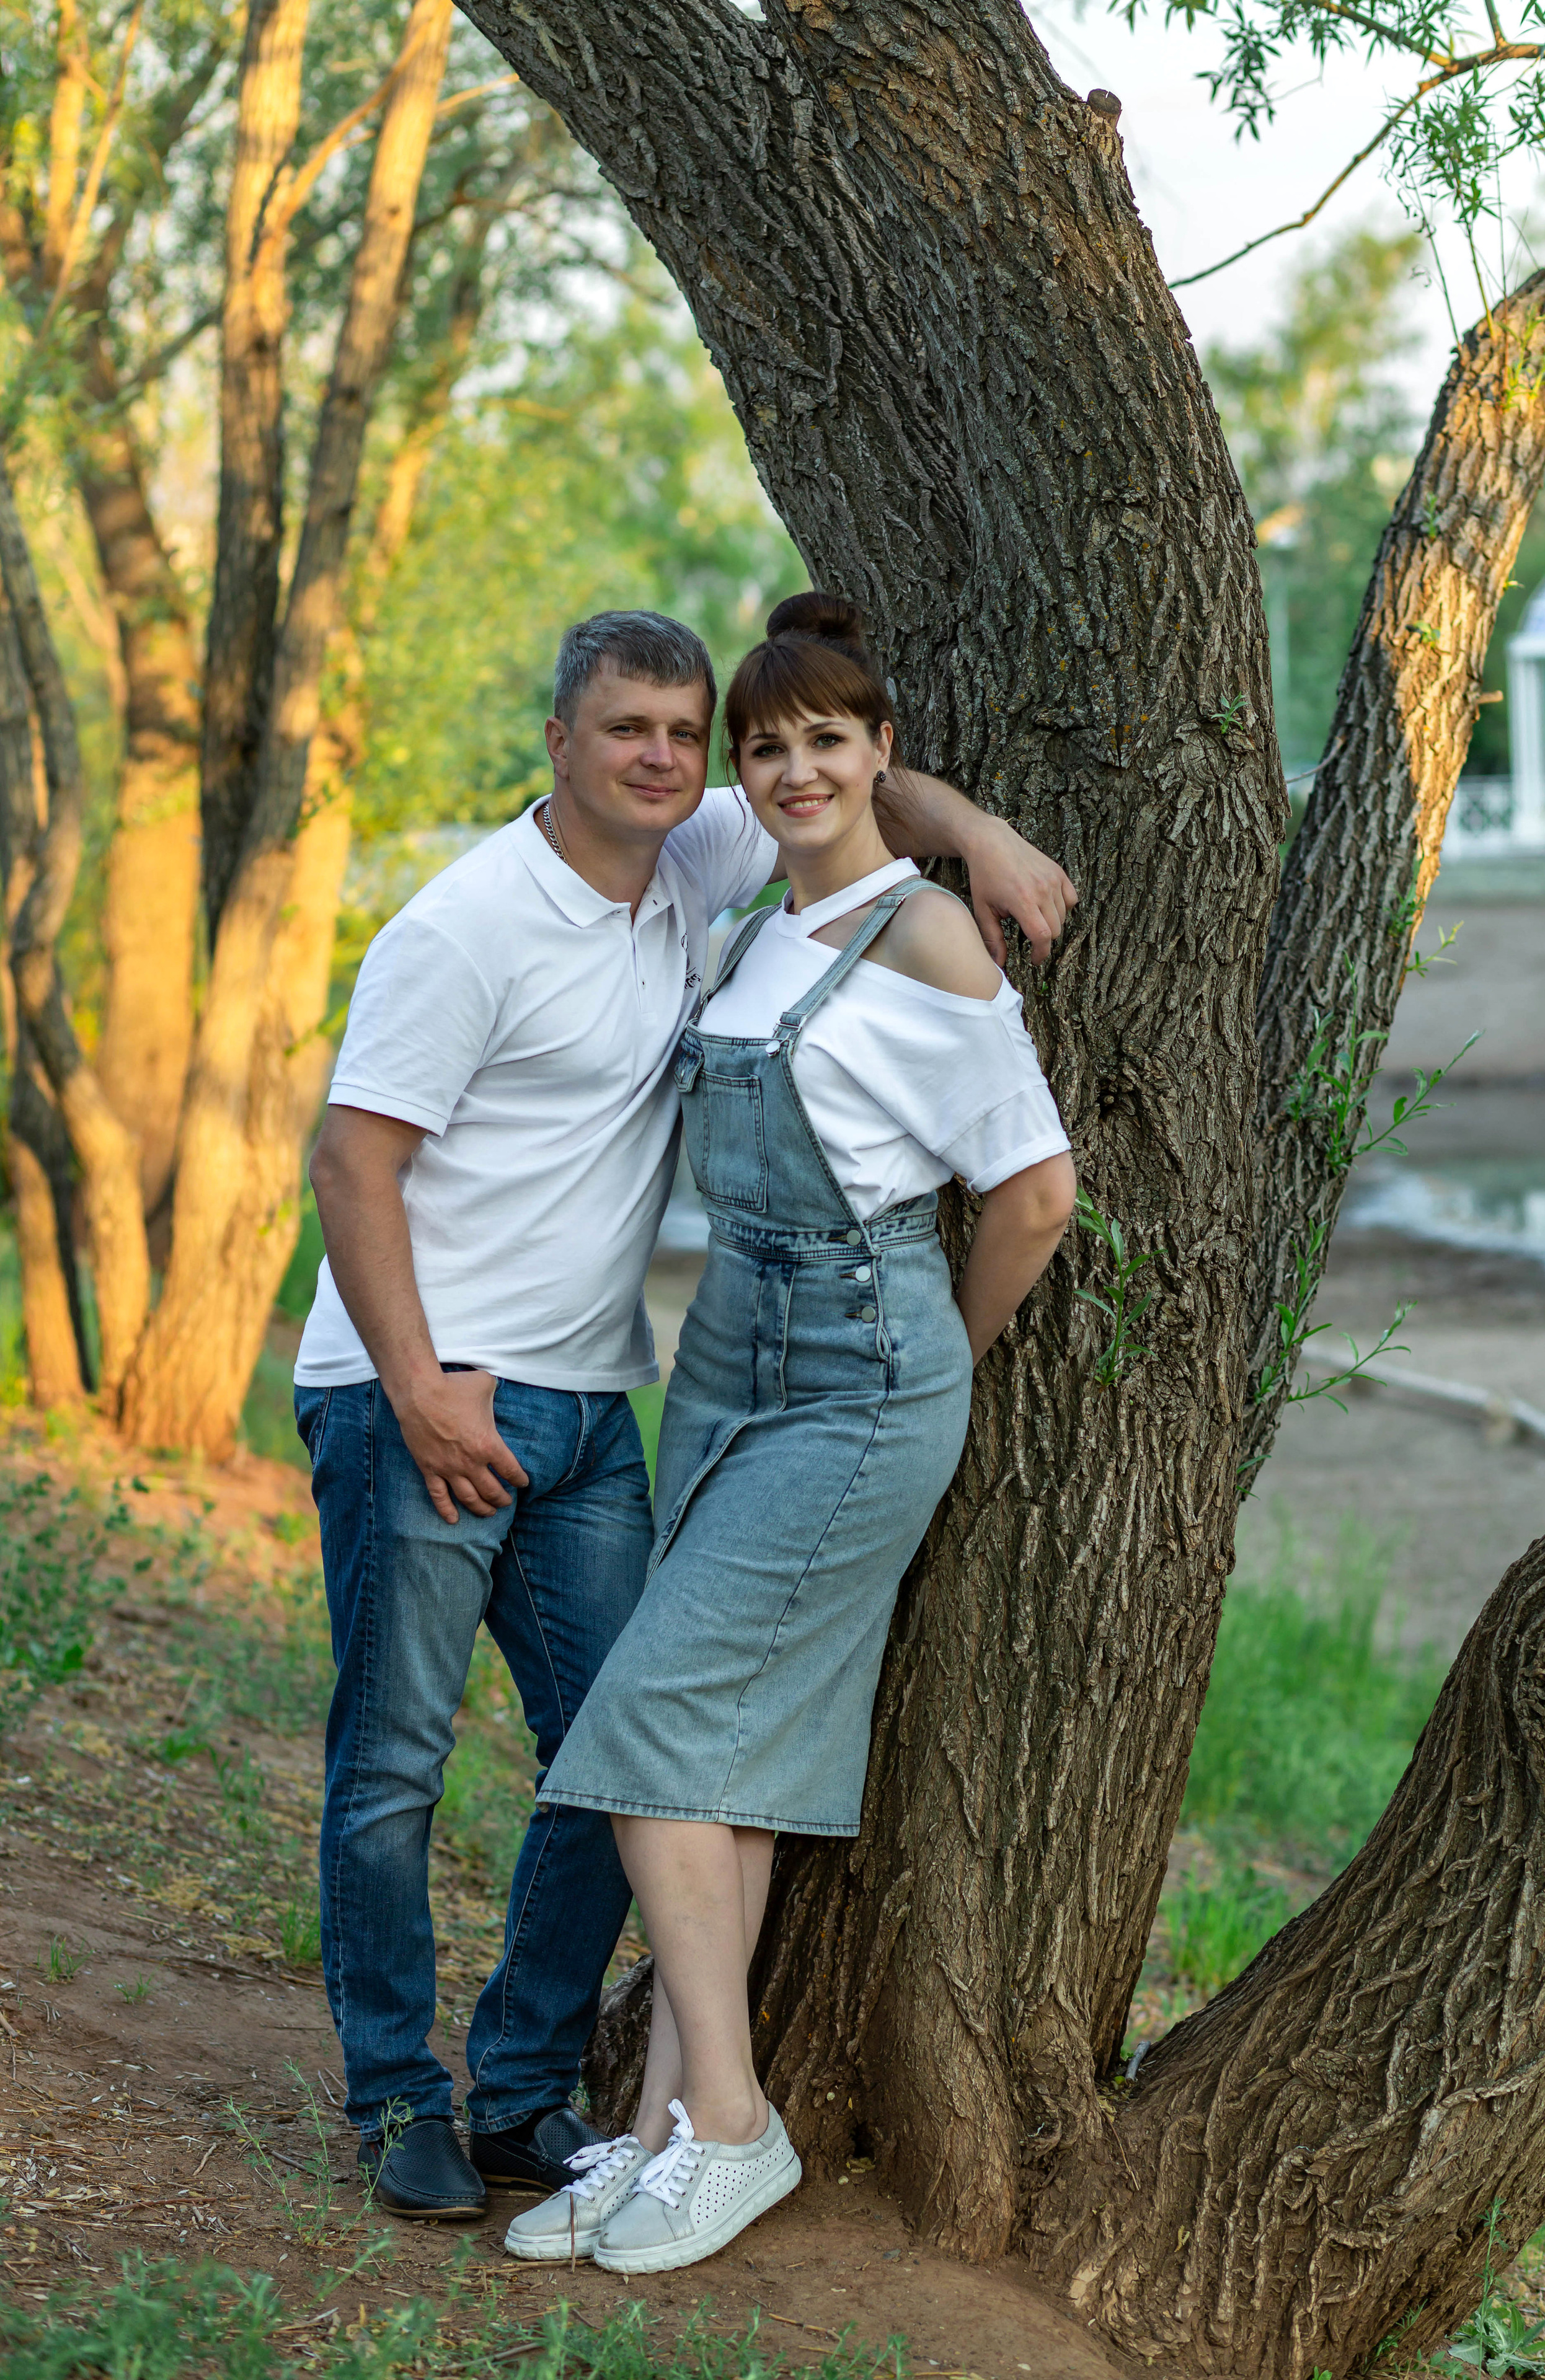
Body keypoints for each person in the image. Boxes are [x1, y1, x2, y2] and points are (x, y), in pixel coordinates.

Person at [295, 608, 1079, 2221]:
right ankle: (394, 2100)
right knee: (393, 1763)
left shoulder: (699, 858)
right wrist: (418, 1384)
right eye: (624, 731)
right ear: (559, 743)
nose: (660, 758)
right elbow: (347, 1160)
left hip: (600, 1407)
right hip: (421, 1395)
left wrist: (983, 830)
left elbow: (860, 793)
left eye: (677, 731)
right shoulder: (464, 929)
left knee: (612, 1758)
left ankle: (522, 2091)